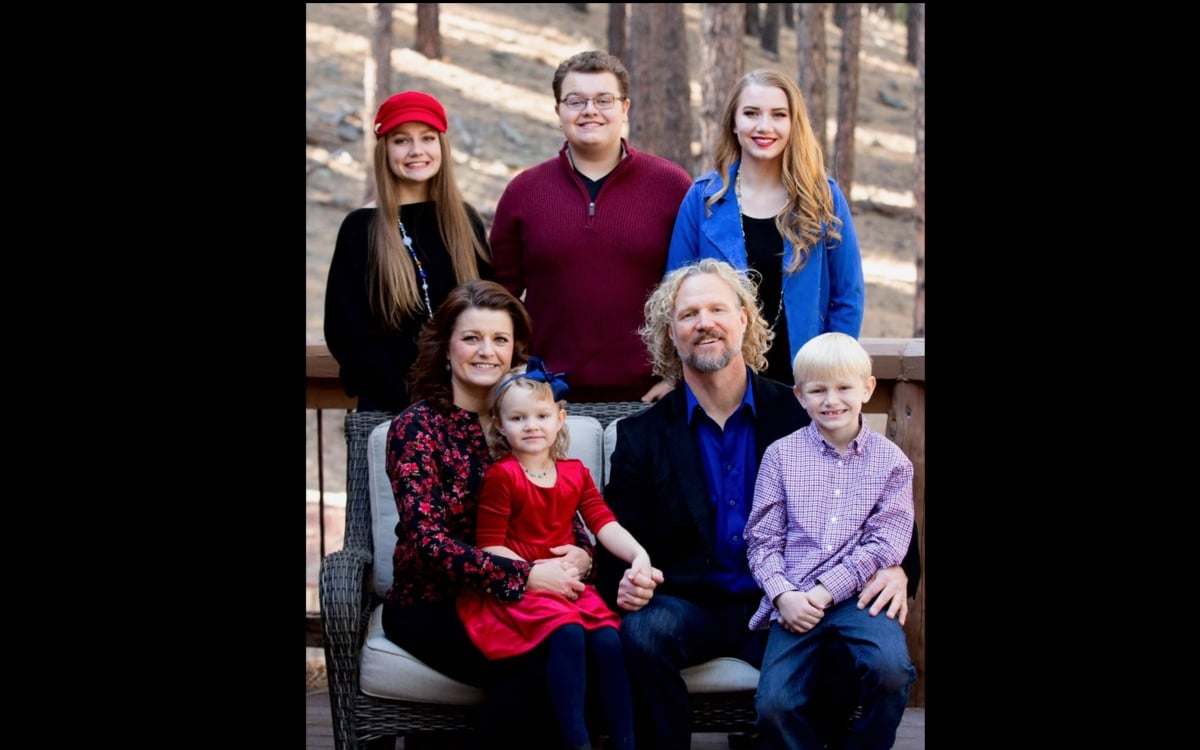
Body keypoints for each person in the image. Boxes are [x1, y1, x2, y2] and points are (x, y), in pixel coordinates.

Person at [594, 258, 919, 750]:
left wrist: (901, 569)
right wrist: (627, 584)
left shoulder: (802, 410)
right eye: (688, 314)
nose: (704, 322)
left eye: (717, 309)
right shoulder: (642, 436)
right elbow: (616, 539)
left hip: (789, 597)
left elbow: (878, 492)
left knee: (844, 647)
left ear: (744, 318)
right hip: (691, 605)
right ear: (670, 333)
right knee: (641, 632)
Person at [381, 279, 595, 749]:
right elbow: (427, 541)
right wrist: (525, 576)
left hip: (513, 599)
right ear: (446, 347)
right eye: (471, 338)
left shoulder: (523, 422)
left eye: (500, 339)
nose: (486, 351)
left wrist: (580, 556)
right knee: (537, 663)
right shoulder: (418, 428)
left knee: (592, 649)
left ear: (515, 349)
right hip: (432, 599)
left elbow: (566, 513)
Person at [457, 357, 652, 750]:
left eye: (542, 415)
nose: (531, 425)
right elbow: (489, 544)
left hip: (567, 585)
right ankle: (574, 739)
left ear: (560, 419)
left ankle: (624, 740)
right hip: (526, 587)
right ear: (500, 425)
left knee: (609, 641)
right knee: (567, 632)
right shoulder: (503, 476)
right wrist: (532, 571)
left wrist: (639, 556)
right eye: (518, 418)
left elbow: (603, 523)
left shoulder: (575, 472)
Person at [489, 49, 694, 404]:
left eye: (604, 99)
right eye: (575, 101)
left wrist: (682, 378)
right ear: (558, 112)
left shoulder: (672, 186)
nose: (590, 110)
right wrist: (516, 377)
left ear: (625, 108)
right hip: (548, 402)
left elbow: (696, 294)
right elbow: (498, 301)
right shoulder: (524, 192)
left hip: (651, 398)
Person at [746, 332, 916, 750]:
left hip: (861, 597)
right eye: (818, 390)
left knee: (891, 671)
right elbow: (761, 540)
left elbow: (886, 543)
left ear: (867, 389)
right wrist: (783, 593)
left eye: (843, 388)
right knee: (774, 706)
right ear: (800, 396)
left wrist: (826, 591)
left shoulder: (892, 462)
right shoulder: (781, 456)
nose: (831, 400)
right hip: (795, 597)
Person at [666, 69, 865, 385]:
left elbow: (847, 297)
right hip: (721, 384)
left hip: (803, 385)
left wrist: (830, 375)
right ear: (734, 122)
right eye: (751, 113)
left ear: (793, 123)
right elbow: (676, 293)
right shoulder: (703, 199)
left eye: (778, 115)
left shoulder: (823, 197)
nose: (764, 126)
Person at [324, 90, 494, 412]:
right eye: (401, 140)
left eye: (427, 138)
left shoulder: (465, 221)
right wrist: (414, 401)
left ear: (441, 145)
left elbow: (491, 313)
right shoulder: (361, 229)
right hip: (391, 412)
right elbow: (348, 334)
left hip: (468, 410)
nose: (417, 151)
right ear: (384, 150)